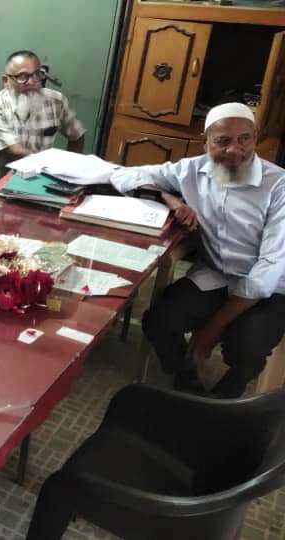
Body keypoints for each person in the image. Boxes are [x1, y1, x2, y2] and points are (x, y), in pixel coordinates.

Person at [110, 103, 285, 398]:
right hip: (216, 275)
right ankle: (186, 375)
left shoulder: (279, 185)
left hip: (269, 288)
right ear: (207, 141)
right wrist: (168, 198)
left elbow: (268, 270)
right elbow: (123, 176)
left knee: (247, 347)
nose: (235, 150)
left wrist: (210, 331)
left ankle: (226, 396)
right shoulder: (190, 170)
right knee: (159, 322)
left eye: (244, 139)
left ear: (255, 138)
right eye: (223, 141)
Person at [0, 50, 86, 180]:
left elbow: (77, 135)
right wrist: (55, 168)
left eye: (37, 74)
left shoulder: (56, 101)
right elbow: (17, 153)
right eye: (22, 76)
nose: (32, 82)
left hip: (43, 178)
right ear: (6, 81)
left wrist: (70, 172)